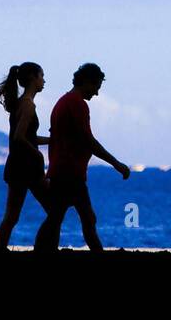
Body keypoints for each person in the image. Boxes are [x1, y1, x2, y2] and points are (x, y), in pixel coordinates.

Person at [33, 63, 130, 252]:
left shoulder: (63, 102)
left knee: (58, 216)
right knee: (82, 217)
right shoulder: (77, 104)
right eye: (96, 87)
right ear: (86, 82)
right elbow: (89, 141)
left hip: (63, 170)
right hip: (69, 172)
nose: (97, 93)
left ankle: (43, 250)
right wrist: (116, 164)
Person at [0, 62, 50, 251]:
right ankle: (44, 249)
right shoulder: (28, 106)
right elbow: (19, 137)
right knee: (54, 209)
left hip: (18, 166)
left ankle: (0, 250)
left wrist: (52, 140)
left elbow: (28, 137)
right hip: (27, 167)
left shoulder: (21, 104)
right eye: (41, 76)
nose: (44, 80)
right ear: (33, 78)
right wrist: (38, 156)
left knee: (11, 217)